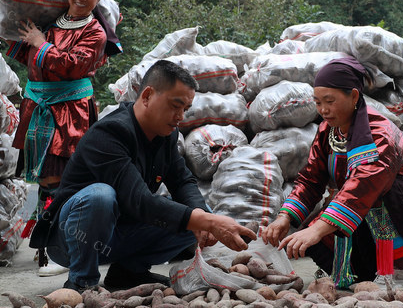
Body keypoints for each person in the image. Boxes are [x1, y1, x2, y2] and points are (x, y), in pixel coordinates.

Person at [28, 59, 256, 291]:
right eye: (175, 105)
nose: (180, 116)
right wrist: (209, 220)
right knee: (101, 196)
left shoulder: (165, 136)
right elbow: (139, 201)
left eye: (185, 109)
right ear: (146, 96)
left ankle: (128, 273)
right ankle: (81, 282)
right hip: (72, 237)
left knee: (191, 220)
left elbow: (182, 181)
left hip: (117, 235)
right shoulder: (110, 133)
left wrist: (204, 220)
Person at [261, 57, 403, 288]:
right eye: (317, 102)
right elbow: (311, 179)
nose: (323, 110)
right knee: (313, 239)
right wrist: (285, 217)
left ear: (354, 97)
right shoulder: (328, 131)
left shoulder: (379, 134)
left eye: (330, 101)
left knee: (379, 193)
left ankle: (399, 271)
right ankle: (361, 272)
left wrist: (317, 228)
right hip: (364, 206)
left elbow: (364, 185)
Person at [6, 0, 122, 276]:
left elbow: (73, 65)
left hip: (70, 112)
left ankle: (65, 247)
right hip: (38, 107)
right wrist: (29, 41)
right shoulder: (50, 25)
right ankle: (46, 246)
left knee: (64, 176)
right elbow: (26, 56)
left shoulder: (94, 32)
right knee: (44, 177)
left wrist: (40, 44)